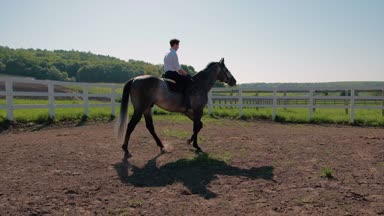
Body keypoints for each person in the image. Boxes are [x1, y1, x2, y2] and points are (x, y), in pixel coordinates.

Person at [163, 39, 193, 110]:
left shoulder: (167, 53)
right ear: (174, 45)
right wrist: (187, 75)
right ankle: (186, 103)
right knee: (188, 81)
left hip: (167, 73)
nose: (178, 47)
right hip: (172, 74)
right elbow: (178, 68)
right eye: (178, 45)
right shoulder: (174, 54)